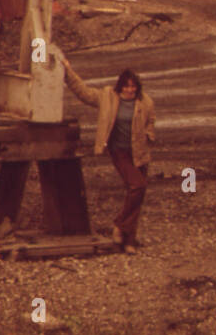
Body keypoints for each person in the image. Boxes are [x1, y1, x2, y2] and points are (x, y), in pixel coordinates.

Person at [56, 52, 155, 254]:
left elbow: (150, 121)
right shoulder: (107, 97)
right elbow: (82, 92)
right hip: (119, 151)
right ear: (120, 86)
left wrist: (149, 134)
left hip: (139, 152)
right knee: (138, 186)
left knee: (136, 194)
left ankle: (128, 241)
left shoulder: (146, 102)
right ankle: (119, 224)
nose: (130, 90)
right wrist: (67, 71)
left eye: (133, 86)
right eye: (126, 86)